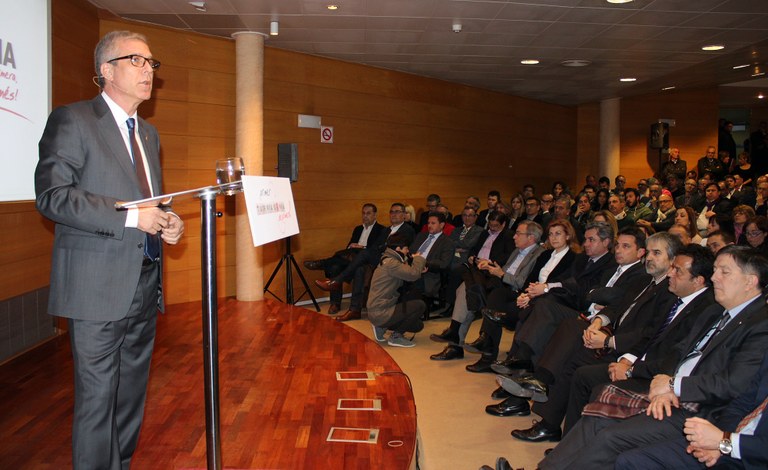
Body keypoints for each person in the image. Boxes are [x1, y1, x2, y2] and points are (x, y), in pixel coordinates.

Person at [35, 30, 185, 469]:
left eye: (151, 63)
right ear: (106, 70)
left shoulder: (148, 134)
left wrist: (167, 221)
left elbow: (148, 202)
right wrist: (132, 217)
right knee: (98, 399)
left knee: (130, 394)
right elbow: (53, 197)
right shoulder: (73, 120)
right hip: (96, 287)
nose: (148, 70)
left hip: (145, 282)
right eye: (136, 60)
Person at [537, 246, 768, 470]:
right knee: (596, 417)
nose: (714, 277)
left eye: (724, 272)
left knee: (610, 435)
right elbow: (679, 351)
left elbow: (733, 384)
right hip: (671, 390)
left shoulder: (759, 325)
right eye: (715, 270)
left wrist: (673, 386)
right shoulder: (717, 312)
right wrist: (665, 382)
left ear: (750, 281)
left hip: (700, 409)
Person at [303, 203, 385, 314]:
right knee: (335, 266)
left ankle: (322, 263)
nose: (365, 216)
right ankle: (335, 304)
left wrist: (361, 247)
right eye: (363, 213)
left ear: (375, 215)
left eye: (368, 213)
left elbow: (375, 250)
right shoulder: (358, 229)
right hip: (352, 257)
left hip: (366, 260)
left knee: (349, 259)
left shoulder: (381, 230)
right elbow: (348, 249)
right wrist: (352, 246)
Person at [367, 233, 428, 348]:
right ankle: (396, 337)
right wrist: (419, 258)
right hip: (381, 311)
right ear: (398, 249)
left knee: (417, 325)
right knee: (420, 305)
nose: (408, 251)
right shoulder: (391, 263)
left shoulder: (388, 259)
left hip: (379, 309)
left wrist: (418, 269)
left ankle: (381, 326)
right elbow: (413, 274)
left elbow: (405, 271)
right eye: (406, 248)